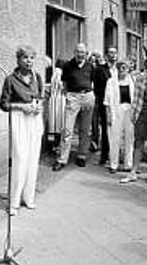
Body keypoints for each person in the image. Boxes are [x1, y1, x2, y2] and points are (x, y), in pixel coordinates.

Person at [0, 45, 44, 216]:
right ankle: (14, 201)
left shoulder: (36, 77)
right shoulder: (10, 79)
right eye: (25, 58)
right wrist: (21, 107)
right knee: (20, 157)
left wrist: (38, 106)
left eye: (32, 58)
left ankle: (29, 197)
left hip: (34, 118)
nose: (29, 61)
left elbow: (41, 96)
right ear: (18, 60)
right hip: (19, 118)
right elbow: (3, 104)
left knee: (33, 157)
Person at [53, 43, 95, 171]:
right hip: (73, 97)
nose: (80, 54)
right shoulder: (68, 66)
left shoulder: (90, 66)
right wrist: (68, 96)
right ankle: (62, 159)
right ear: (74, 52)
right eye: (78, 52)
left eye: (83, 52)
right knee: (67, 129)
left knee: (85, 130)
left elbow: (92, 81)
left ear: (86, 53)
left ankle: (81, 156)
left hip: (87, 96)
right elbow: (64, 83)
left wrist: (90, 95)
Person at [104, 59, 135, 174]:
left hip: (129, 111)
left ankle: (128, 164)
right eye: (120, 68)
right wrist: (108, 114)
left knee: (129, 138)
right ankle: (114, 164)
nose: (122, 70)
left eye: (124, 68)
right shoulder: (111, 81)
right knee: (114, 138)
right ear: (117, 69)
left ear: (128, 69)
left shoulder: (133, 80)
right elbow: (106, 100)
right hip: (116, 111)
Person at [91, 46, 118, 164]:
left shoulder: (119, 69)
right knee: (107, 129)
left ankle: (116, 155)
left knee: (117, 130)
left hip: (119, 103)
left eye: (115, 53)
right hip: (105, 102)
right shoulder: (100, 69)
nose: (113, 55)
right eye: (110, 53)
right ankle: (104, 155)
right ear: (106, 55)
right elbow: (96, 86)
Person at [47, 58, 66, 151]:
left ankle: (51, 145)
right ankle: (57, 145)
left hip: (53, 99)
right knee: (59, 124)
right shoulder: (60, 73)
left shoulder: (54, 73)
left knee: (52, 124)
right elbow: (62, 86)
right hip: (60, 100)